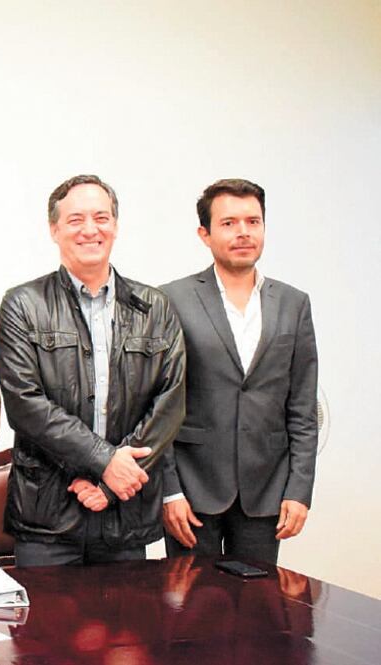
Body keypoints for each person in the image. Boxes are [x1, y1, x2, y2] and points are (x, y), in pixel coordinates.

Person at [0, 174, 186, 566]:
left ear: (115, 226)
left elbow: (169, 404)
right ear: (54, 230)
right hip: (47, 514)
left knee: (132, 627)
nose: (90, 229)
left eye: (101, 217)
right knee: (45, 629)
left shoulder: (155, 307)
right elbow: (24, 404)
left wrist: (113, 483)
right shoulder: (22, 304)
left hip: (126, 514)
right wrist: (105, 463)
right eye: (75, 219)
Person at [161, 178, 318, 564]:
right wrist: (169, 491)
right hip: (193, 491)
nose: (243, 232)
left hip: (266, 490)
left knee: (260, 614)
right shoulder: (171, 299)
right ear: (205, 233)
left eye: (253, 221)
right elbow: (156, 406)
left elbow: (302, 406)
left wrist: (299, 490)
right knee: (191, 617)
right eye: (229, 223)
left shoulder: (294, 303)